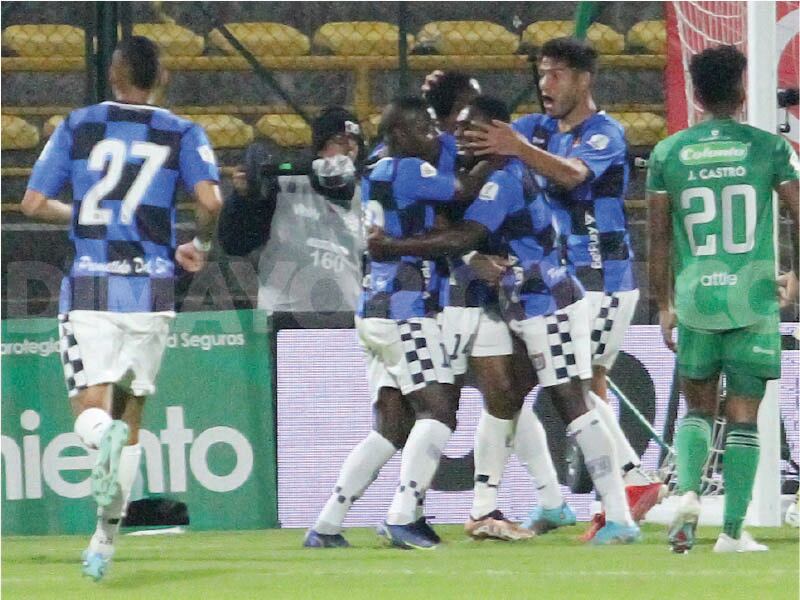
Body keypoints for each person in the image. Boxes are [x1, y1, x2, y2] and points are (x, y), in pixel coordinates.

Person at [369, 94, 640, 545]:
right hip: (520, 301)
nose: (459, 137)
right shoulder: (486, 172)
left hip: (545, 301)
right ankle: (503, 507)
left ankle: (619, 516)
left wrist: (393, 247)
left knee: (573, 401)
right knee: (505, 399)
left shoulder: (504, 181)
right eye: (457, 128)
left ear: (496, 134)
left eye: (470, 130)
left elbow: (466, 235)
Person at [20, 36, 222, 580]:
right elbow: (210, 202)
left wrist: (85, 216)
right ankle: (104, 544)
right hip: (152, 288)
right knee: (131, 416)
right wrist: (198, 247)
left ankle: (96, 441)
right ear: (163, 77)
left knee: (91, 410)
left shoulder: (79, 125)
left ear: (113, 73)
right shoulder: (182, 132)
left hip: (93, 284)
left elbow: (32, 203)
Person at [464, 37, 664, 539]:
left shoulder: (605, 134)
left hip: (600, 277)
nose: (545, 84)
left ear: (583, 79)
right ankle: (549, 501)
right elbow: (483, 143)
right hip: (543, 283)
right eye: (542, 74)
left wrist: (520, 149)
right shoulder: (533, 129)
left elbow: (574, 177)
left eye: (556, 75)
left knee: (580, 385)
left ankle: (632, 480)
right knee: (515, 389)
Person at [304, 97, 491, 550]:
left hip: (374, 307)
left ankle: (327, 523)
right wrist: (493, 159)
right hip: (406, 307)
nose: (432, 136)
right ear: (400, 135)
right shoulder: (408, 168)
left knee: (390, 425)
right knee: (441, 409)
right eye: (423, 129)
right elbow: (464, 193)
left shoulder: (376, 171)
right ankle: (404, 514)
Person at [648, 44, 799, 553]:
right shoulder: (770, 149)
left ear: (694, 91)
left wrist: (663, 304)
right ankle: (732, 532)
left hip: (695, 300)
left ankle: (689, 492)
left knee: (695, 410)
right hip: (752, 299)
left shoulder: (668, 153)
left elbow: (658, 237)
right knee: (742, 415)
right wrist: (795, 272)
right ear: (741, 90)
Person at [425, 74, 576, 539]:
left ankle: (545, 501)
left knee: (508, 397)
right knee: (443, 408)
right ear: (454, 117)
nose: (478, 126)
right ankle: (436, 508)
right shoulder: (435, 155)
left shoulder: (491, 162)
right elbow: (430, 216)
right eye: (469, 113)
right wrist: (470, 258)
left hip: (498, 293)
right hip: (453, 296)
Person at [218, 107, 365, 317]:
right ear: (321, 148)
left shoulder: (364, 193)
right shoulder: (284, 185)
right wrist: (244, 198)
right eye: (340, 140)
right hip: (287, 313)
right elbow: (235, 243)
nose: (350, 148)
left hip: (345, 315)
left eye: (355, 141)